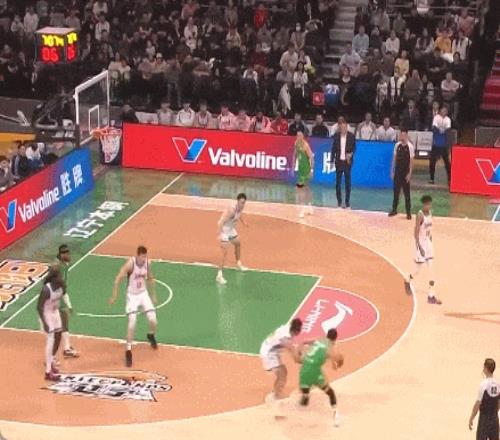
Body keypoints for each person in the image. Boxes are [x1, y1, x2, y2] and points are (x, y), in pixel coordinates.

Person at [109, 246, 158, 367]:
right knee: (132, 323)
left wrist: (153, 295)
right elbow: (118, 278)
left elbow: (150, 278)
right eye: (142, 256)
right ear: (137, 255)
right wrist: (114, 295)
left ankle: (151, 335)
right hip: (132, 296)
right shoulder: (130, 264)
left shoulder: (147, 263)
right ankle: (128, 350)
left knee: (153, 319)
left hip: (143, 294)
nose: (144, 259)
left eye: (145, 256)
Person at [299, 328, 343, 427]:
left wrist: (300, 353)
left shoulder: (318, 339)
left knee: (305, 394)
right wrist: (337, 364)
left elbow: (303, 341)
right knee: (330, 393)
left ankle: (300, 411)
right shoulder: (330, 349)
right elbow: (337, 363)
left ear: (327, 335)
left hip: (304, 369)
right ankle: (336, 415)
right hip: (315, 372)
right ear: (335, 339)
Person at [405, 195, 442, 304]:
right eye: (427, 204)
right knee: (418, 270)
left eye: (430, 204)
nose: (429, 206)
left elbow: (430, 229)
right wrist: (419, 247)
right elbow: (416, 233)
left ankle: (431, 296)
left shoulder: (430, 213)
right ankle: (407, 280)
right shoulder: (420, 215)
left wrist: (431, 240)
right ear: (424, 204)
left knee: (432, 271)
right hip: (421, 245)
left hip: (428, 244)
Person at [260, 318, 303, 403]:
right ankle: (275, 397)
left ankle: (276, 393)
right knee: (282, 373)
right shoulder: (285, 338)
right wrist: (310, 361)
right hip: (268, 353)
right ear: (296, 331)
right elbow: (295, 358)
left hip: (273, 351)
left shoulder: (287, 328)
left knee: (283, 372)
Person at [37, 267, 65, 381]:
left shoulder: (62, 286)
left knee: (59, 336)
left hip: (55, 312)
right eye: (59, 276)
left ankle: (51, 359)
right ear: (53, 279)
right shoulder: (46, 290)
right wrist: (44, 322)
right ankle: (48, 372)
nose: (61, 278)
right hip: (46, 313)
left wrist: (65, 307)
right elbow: (39, 306)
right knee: (51, 339)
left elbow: (63, 296)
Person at [51, 245, 79, 358]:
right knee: (58, 328)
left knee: (64, 322)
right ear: (62, 255)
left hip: (59, 296)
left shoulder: (63, 265)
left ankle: (66, 348)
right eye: (67, 254)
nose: (69, 256)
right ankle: (52, 356)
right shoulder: (57, 267)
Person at [216, 193, 248, 285]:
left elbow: (240, 214)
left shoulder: (239, 209)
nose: (242, 205)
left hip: (231, 230)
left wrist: (244, 222)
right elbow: (221, 222)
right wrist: (220, 234)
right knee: (224, 253)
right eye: (241, 202)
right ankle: (219, 275)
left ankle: (238, 264)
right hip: (224, 230)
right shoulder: (231, 211)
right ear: (237, 201)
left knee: (238, 243)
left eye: (244, 203)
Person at [468, 358, 499, 440]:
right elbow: (499, 402)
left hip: (484, 420)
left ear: (485, 368)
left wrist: (471, 418)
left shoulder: (483, 385)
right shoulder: (498, 384)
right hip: (494, 419)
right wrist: (494, 414)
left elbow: (477, 404)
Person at [389, 130, 414, 220]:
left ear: (406, 136)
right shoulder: (397, 145)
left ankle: (408, 212)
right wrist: (392, 171)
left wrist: (409, 173)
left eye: (404, 135)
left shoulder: (410, 146)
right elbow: (394, 159)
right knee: (396, 192)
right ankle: (394, 210)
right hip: (397, 172)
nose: (402, 136)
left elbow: (411, 161)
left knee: (407, 193)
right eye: (401, 135)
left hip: (405, 172)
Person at [331, 120, 356, 209]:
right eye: (341, 127)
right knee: (338, 183)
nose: (343, 129)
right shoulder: (336, 136)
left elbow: (354, 147)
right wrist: (331, 160)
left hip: (347, 163)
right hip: (339, 162)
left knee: (347, 183)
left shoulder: (351, 136)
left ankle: (347, 203)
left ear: (347, 128)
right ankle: (339, 202)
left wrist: (350, 154)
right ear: (340, 128)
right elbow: (333, 148)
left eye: (345, 127)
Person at [294, 132, 314, 218]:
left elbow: (311, 158)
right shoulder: (296, 143)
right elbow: (295, 155)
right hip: (300, 169)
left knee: (302, 189)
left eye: (300, 136)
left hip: (306, 169)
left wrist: (311, 170)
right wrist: (294, 166)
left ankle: (303, 209)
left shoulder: (306, 145)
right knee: (305, 188)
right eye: (297, 136)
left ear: (303, 137)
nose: (299, 137)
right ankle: (309, 206)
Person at [429, 106, 451, 184]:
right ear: (440, 111)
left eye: (445, 111)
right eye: (442, 110)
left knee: (447, 163)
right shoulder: (436, 117)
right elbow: (434, 129)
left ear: (447, 112)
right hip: (436, 144)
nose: (444, 112)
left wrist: (448, 145)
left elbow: (448, 131)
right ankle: (432, 178)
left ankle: (450, 179)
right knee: (432, 162)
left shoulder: (448, 119)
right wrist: (441, 131)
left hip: (444, 145)